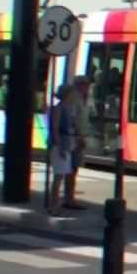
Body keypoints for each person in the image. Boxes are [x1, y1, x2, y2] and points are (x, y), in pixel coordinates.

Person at [46, 84, 78, 215]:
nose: (74, 96)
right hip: (60, 146)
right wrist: (59, 147)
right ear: (67, 94)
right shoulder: (59, 108)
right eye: (72, 93)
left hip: (66, 145)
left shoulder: (68, 108)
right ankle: (53, 206)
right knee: (58, 177)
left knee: (61, 176)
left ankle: (54, 205)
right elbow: (55, 129)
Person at [62, 75, 92, 210]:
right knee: (71, 169)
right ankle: (69, 198)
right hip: (75, 139)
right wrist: (79, 137)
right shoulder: (74, 99)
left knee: (74, 168)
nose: (88, 87)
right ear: (79, 85)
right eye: (85, 84)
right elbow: (72, 119)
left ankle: (69, 197)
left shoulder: (84, 99)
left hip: (79, 137)